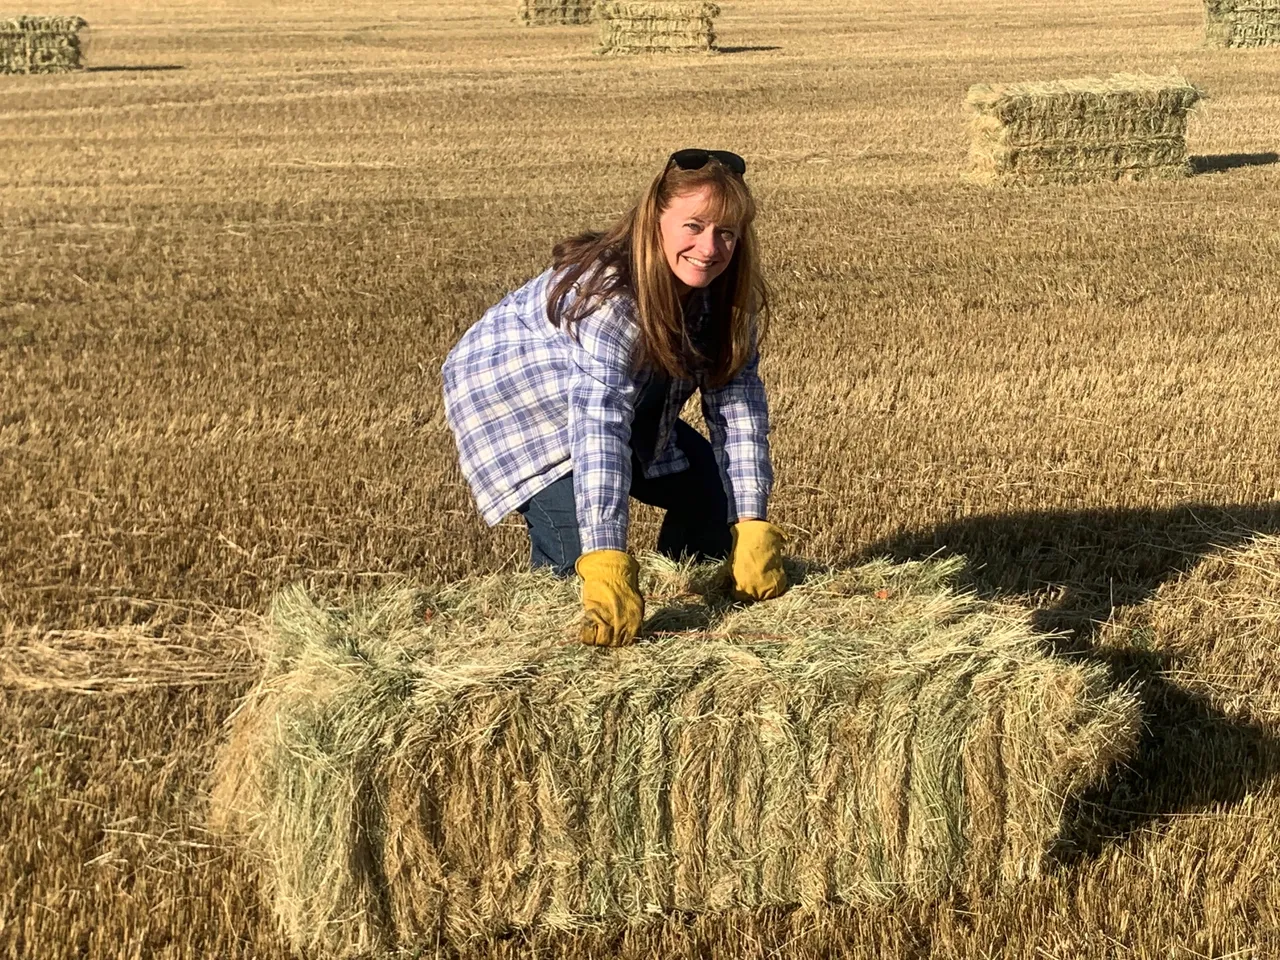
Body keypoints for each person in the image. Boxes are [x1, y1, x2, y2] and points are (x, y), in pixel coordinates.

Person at [442, 148, 787, 647]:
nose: (710, 248)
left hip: (612, 386)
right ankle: (564, 644)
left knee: (710, 493)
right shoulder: (611, 295)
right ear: (655, 221)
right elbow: (600, 427)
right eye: (693, 226)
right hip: (520, 399)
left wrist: (751, 520)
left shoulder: (726, 299)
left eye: (726, 232)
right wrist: (605, 558)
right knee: (575, 552)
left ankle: (688, 602)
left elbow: (739, 408)